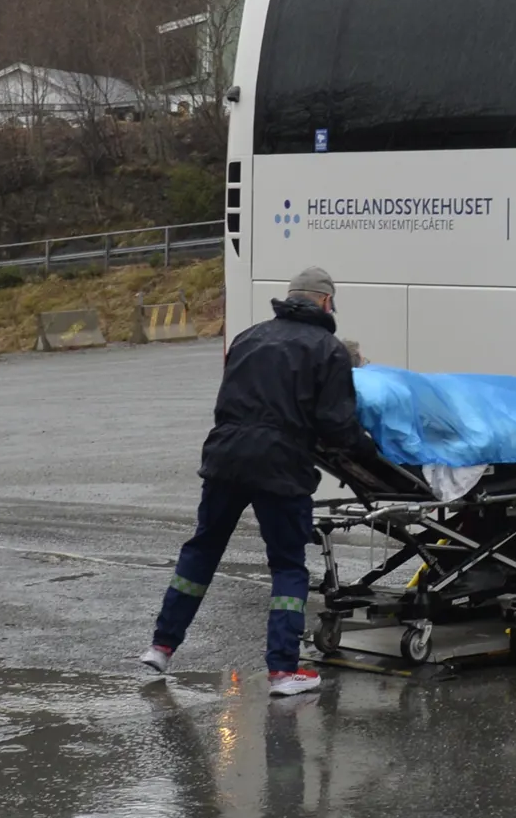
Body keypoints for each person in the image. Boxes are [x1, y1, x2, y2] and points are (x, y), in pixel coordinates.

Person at [138, 266, 359, 697]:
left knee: (202, 550)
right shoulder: (328, 349)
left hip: (225, 458)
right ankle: (282, 671)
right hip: (280, 467)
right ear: (326, 302)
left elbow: (229, 400)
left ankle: (161, 645)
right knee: (287, 565)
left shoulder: (248, 337)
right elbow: (337, 424)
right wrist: (365, 450)